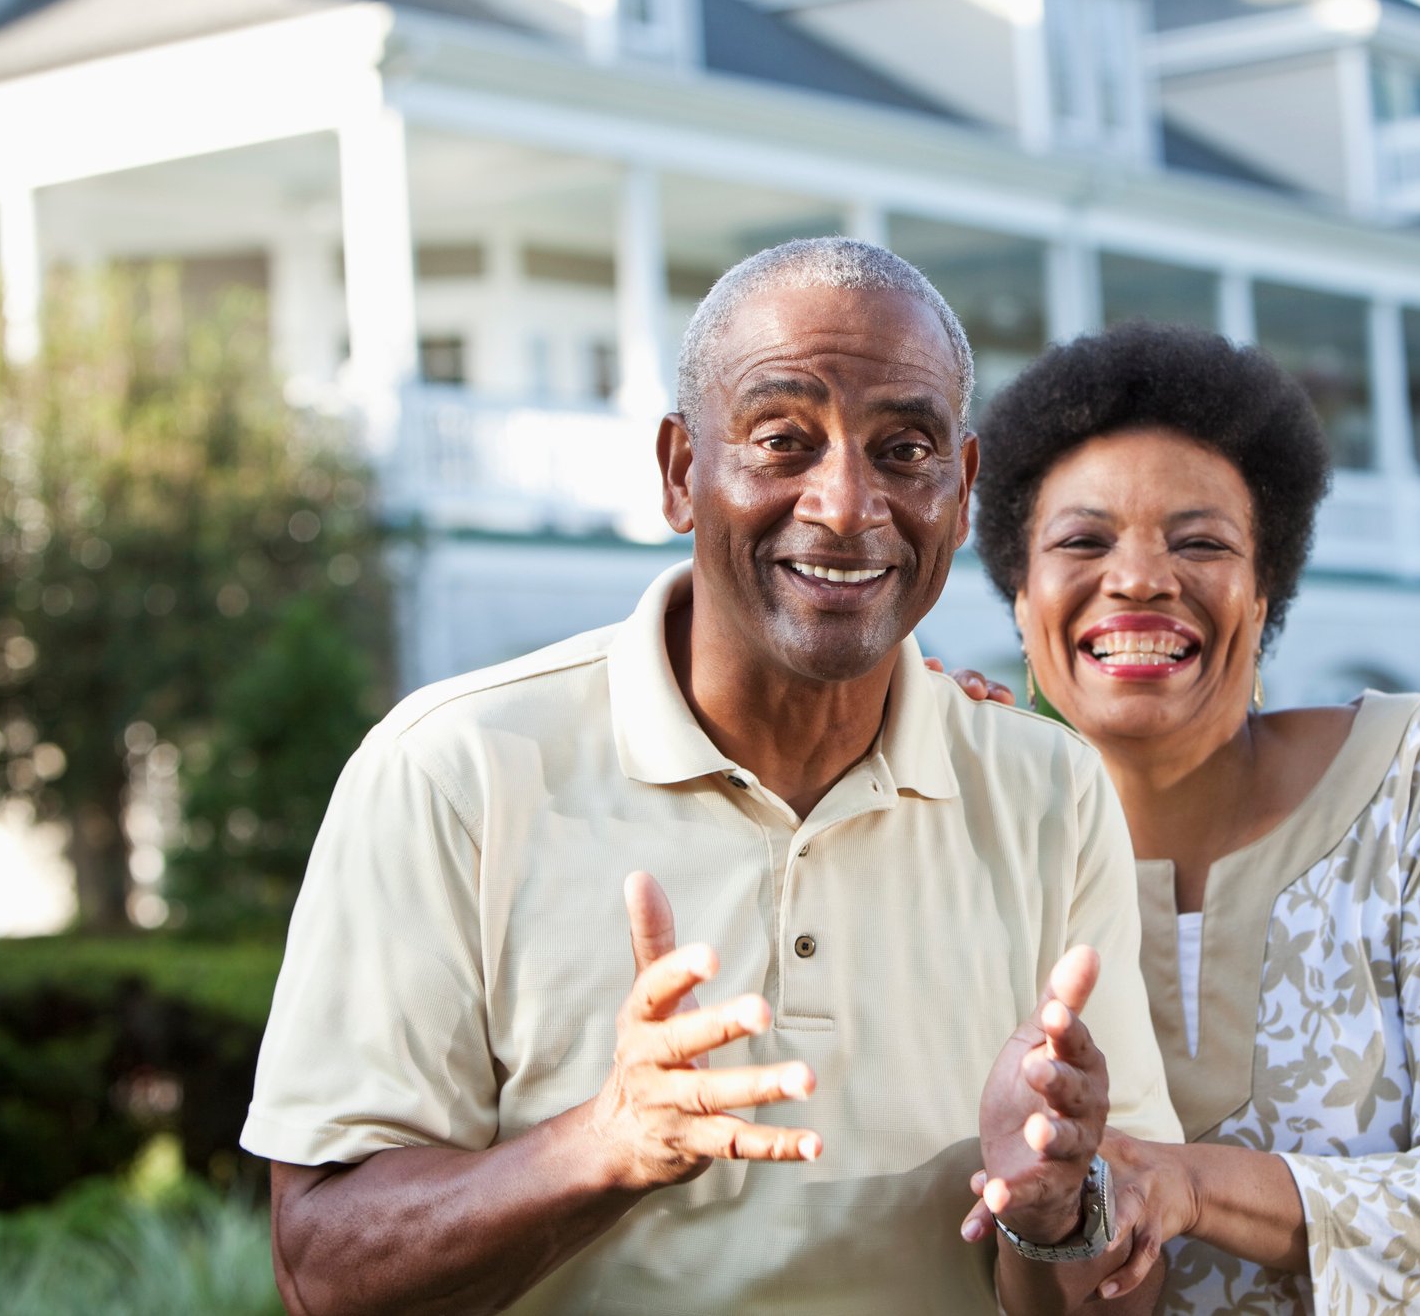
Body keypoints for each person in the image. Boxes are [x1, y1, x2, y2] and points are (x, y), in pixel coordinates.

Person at [241, 239, 1182, 1316]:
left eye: (904, 448)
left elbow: (1123, 1297)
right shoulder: (454, 771)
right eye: (783, 439)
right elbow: (320, 1270)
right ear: (682, 472)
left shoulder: (1051, 794)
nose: (843, 502)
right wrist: (601, 1145)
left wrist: (1053, 1212)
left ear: (962, 493)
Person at [958, 321, 1420, 1313]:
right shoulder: (979, 849)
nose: (1139, 578)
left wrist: (1191, 1183)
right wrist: (1052, 1215)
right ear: (1021, 592)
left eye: (1199, 541)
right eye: (1082, 541)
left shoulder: (1417, 781)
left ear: (1265, 590)